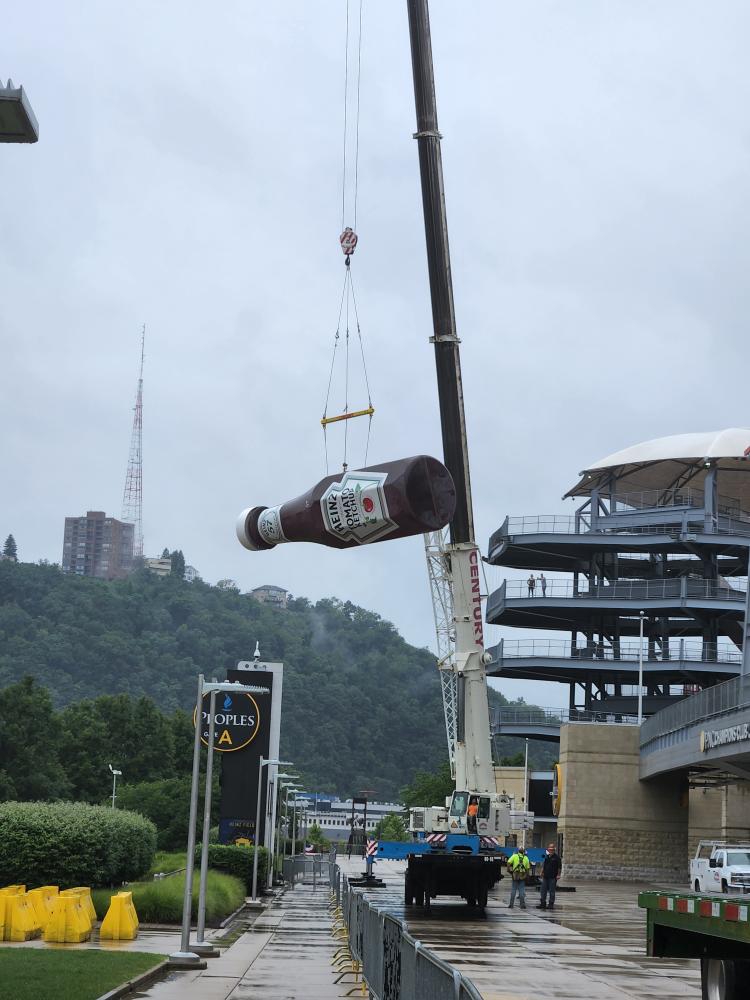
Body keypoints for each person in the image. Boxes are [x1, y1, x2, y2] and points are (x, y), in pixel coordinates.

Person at [537, 842, 562, 910]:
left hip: (553, 877)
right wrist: (542, 872)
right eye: (550, 849)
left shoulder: (557, 858)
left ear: (554, 849)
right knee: (543, 890)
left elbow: (559, 867)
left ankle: (551, 904)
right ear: (548, 849)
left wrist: (558, 875)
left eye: (552, 849)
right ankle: (543, 903)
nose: (551, 850)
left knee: (552, 891)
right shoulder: (547, 856)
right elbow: (544, 865)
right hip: (545, 876)